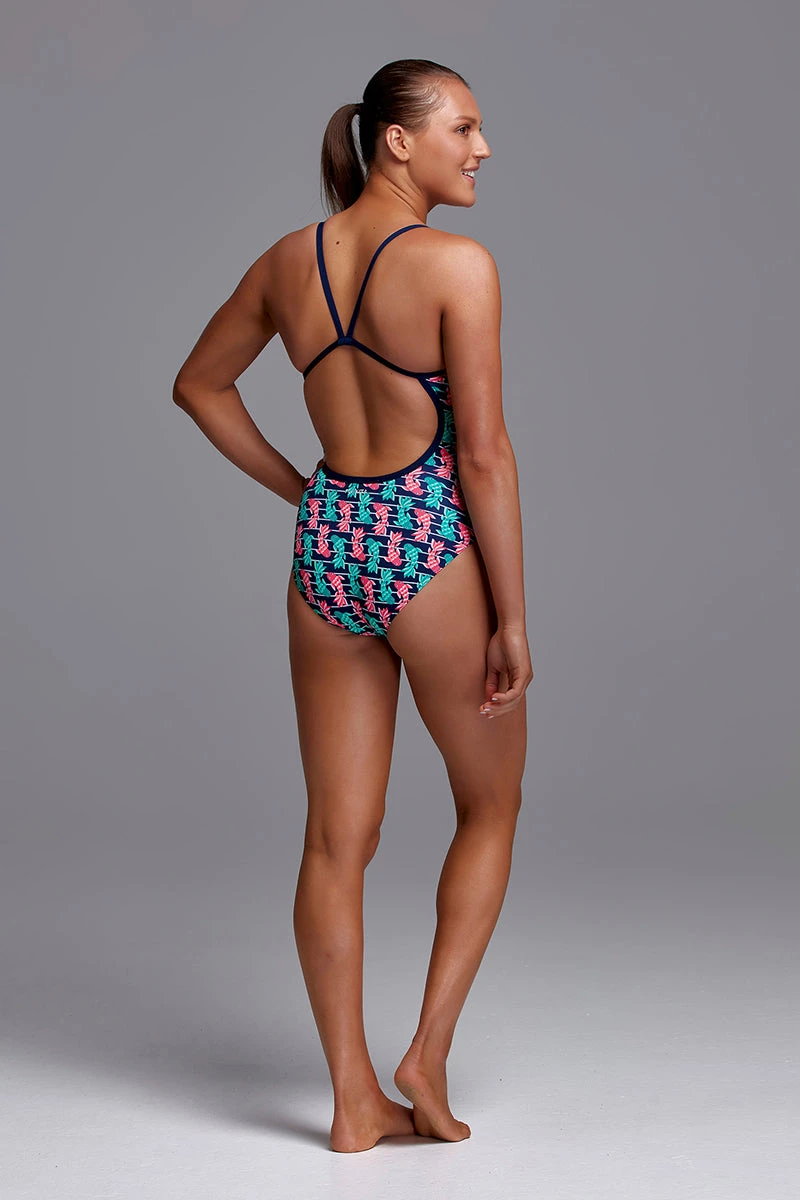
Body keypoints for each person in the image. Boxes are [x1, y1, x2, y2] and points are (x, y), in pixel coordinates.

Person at [172, 58, 533, 1154]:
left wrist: (305, 490)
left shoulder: (288, 262)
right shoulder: (456, 267)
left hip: (327, 545)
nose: (480, 149)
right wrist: (512, 618)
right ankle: (423, 1055)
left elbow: (198, 384)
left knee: (336, 838)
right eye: (463, 128)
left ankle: (349, 1101)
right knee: (490, 808)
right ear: (397, 141)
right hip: (427, 544)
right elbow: (482, 456)